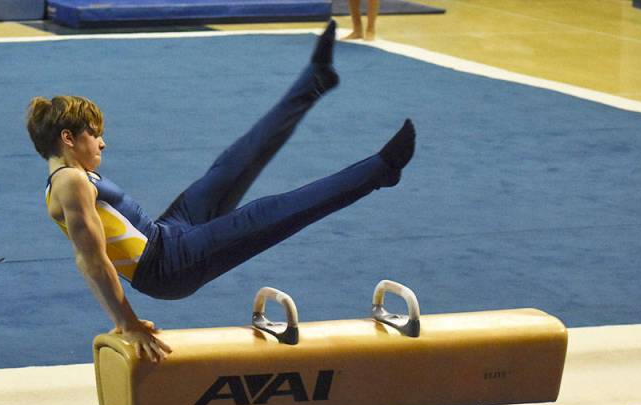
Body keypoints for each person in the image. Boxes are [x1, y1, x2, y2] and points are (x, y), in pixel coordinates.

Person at [26, 20, 415, 363]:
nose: (102, 144)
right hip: (168, 265)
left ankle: (314, 79)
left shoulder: (72, 177)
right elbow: (91, 262)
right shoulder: (70, 183)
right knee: (268, 214)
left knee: (233, 163)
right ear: (68, 138)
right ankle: (381, 170)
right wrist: (126, 323)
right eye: (95, 135)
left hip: (168, 233)